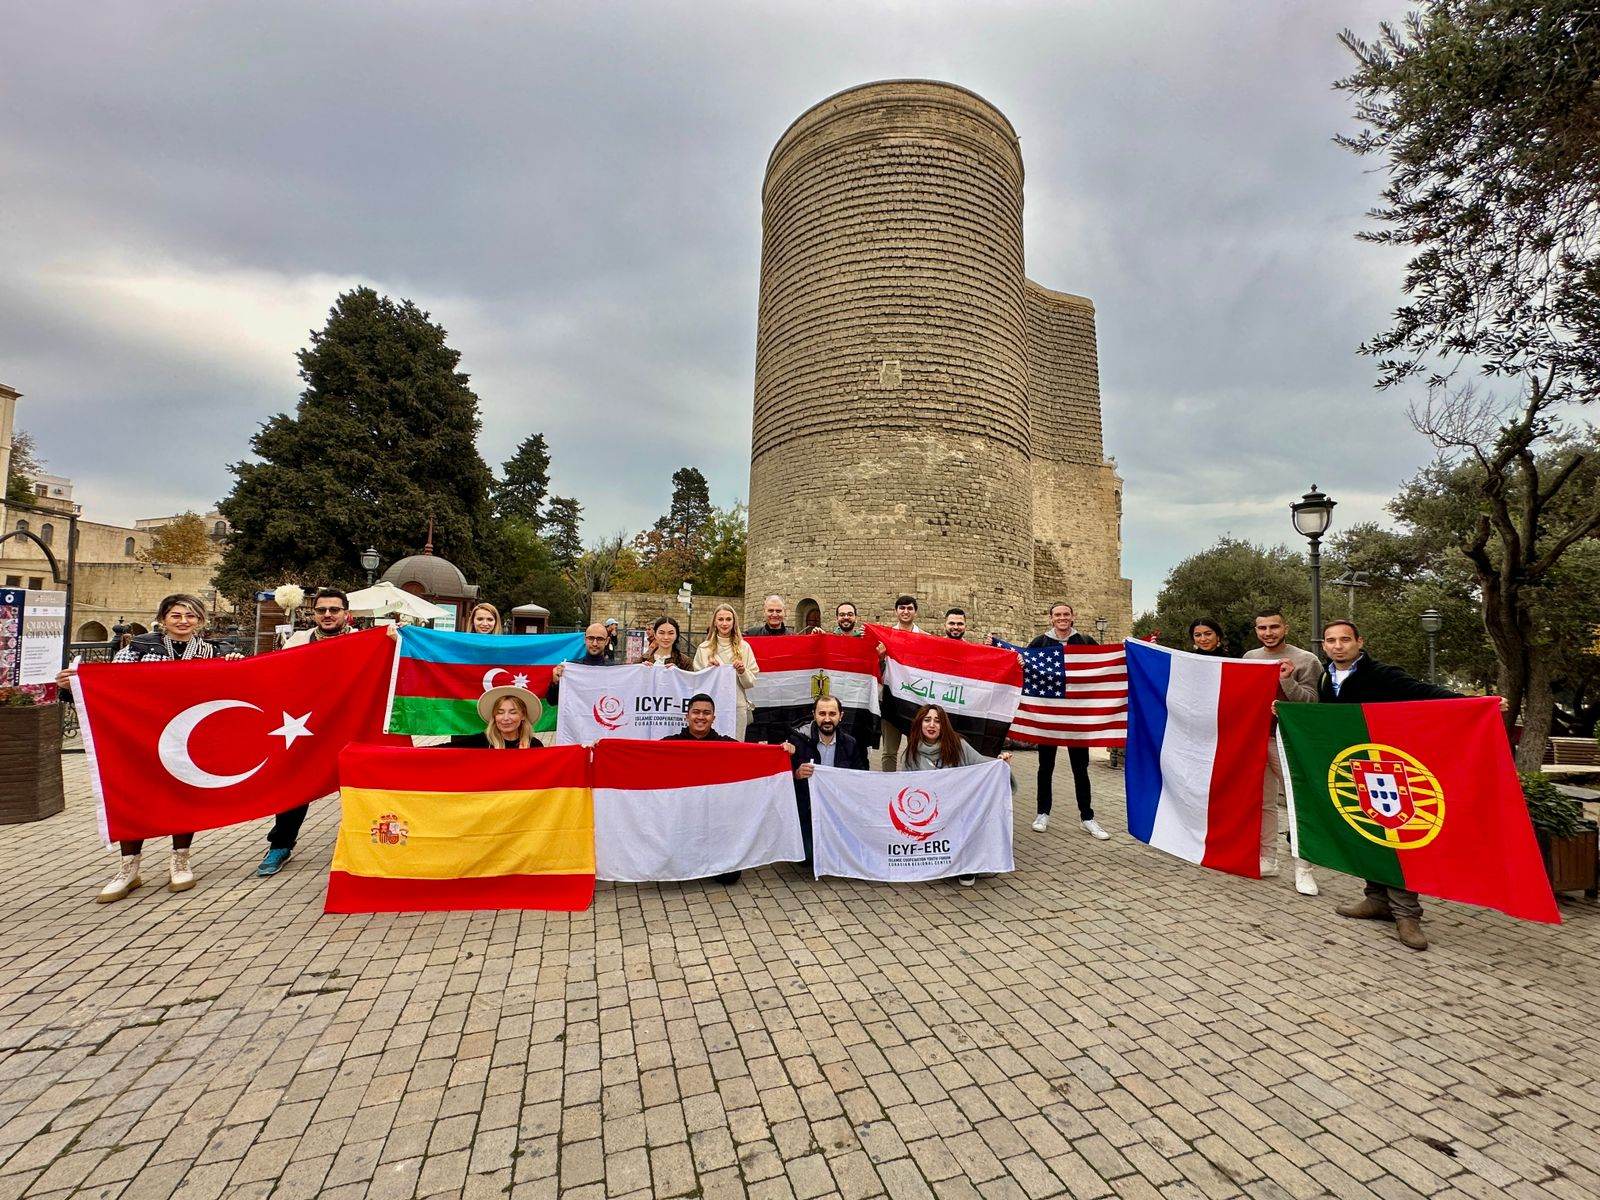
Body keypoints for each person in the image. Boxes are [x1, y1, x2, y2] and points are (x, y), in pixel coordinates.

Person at [55, 594, 243, 902]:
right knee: (133, 795)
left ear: (200, 621)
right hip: (140, 736)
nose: (183, 621)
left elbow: (229, 686)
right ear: (163, 618)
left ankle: (180, 859)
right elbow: (112, 682)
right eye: (176, 615)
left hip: (184, 738)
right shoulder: (141, 647)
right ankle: (129, 867)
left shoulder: (212, 651)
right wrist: (77, 684)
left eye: (191, 616)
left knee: (183, 795)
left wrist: (235, 664)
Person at [1320, 620, 1457, 951]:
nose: (1338, 646)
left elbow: (1424, 692)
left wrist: (1474, 703)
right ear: (1324, 646)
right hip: (1352, 768)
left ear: (1359, 641)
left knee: (1397, 837)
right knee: (1367, 833)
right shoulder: (1327, 678)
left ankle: (1406, 913)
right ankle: (1376, 899)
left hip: (1386, 771)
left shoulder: (1382, 674)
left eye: (1345, 640)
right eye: (1331, 641)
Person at [258, 588, 355, 877]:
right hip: (306, 725)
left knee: (356, 783)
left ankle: (360, 839)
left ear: (345, 613)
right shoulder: (298, 641)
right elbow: (279, 677)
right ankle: (281, 844)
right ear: (313, 614)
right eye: (321, 610)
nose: (327, 615)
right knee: (296, 783)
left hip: (348, 722)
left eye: (334, 610)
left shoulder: (363, 640)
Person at [1243, 609, 1321, 895]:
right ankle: (1267, 859)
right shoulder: (1250, 658)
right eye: (1262, 628)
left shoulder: (1305, 659)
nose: (1268, 633)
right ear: (1256, 630)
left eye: (1274, 627)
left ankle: (1304, 869)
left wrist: (1287, 680)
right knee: (1263, 802)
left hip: (1288, 741)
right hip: (1257, 738)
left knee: (1298, 803)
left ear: (1285, 627)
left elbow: (1311, 703)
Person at [901, 703, 1013, 885]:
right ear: (919, 724)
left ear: (944, 725)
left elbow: (982, 765)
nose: (932, 725)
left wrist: (1000, 763)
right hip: (928, 817)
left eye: (937, 721)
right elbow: (903, 790)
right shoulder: (911, 754)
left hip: (958, 814)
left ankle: (967, 866)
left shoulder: (959, 746)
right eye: (927, 720)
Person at [1027, 603, 1110, 839]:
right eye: (1057, 615)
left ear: (1073, 617)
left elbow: (1104, 665)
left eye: (1066, 614)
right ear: (1051, 618)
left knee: (1080, 768)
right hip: (1049, 716)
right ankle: (1042, 813)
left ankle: (1087, 817)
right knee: (1045, 767)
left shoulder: (1085, 641)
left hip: (1077, 717)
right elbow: (1025, 667)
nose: (1062, 618)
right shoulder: (1039, 642)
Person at [664, 693, 740, 885]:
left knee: (730, 877)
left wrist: (782, 751)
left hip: (715, 820)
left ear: (713, 718)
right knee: (672, 872)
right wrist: (606, 749)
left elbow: (759, 758)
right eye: (696, 712)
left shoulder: (727, 746)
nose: (701, 717)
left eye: (706, 713)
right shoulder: (669, 745)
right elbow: (638, 757)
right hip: (681, 819)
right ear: (687, 716)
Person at [786, 694, 869, 869]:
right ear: (814, 715)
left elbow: (862, 778)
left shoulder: (851, 743)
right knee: (808, 859)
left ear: (841, 716)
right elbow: (782, 780)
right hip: (808, 809)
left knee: (850, 852)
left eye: (832, 714)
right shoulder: (798, 741)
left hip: (838, 810)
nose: (827, 719)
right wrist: (797, 773)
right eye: (822, 713)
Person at [693, 603, 760, 738]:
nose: (724, 623)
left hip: (736, 706)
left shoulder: (744, 647)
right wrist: (708, 670)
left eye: (728, 619)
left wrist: (742, 671)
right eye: (721, 619)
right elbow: (697, 682)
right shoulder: (703, 648)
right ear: (715, 622)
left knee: (735, 748)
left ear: (734, 622)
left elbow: (750, 683)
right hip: (710, 707)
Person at [876, 595, 924, 771]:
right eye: (902, 608)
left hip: (916, 701)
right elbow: (878, 670)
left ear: (915, 612)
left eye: (909, 608)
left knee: (917, 749)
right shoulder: (885, 638)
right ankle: (889, 785)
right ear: (896, 611)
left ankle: (912, 782)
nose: (906, 611)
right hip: (892, 700)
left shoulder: (926, 639)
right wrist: (881, 659)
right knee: (889, 750)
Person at [547, 623, 618, 707]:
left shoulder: (614, 671)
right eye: (591, 638)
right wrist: (555, 683)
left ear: (606, 641)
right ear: (585, 639)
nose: (595, 643)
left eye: (600, 639)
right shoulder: (570, 669)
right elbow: (552, 701)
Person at [451, 685, 544, 748]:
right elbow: (443, 752)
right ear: (494, 716)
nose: (506, 718)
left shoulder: (535, 745)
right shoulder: (481, 742)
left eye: (513, 712)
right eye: (500, 712)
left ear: (523, 715)